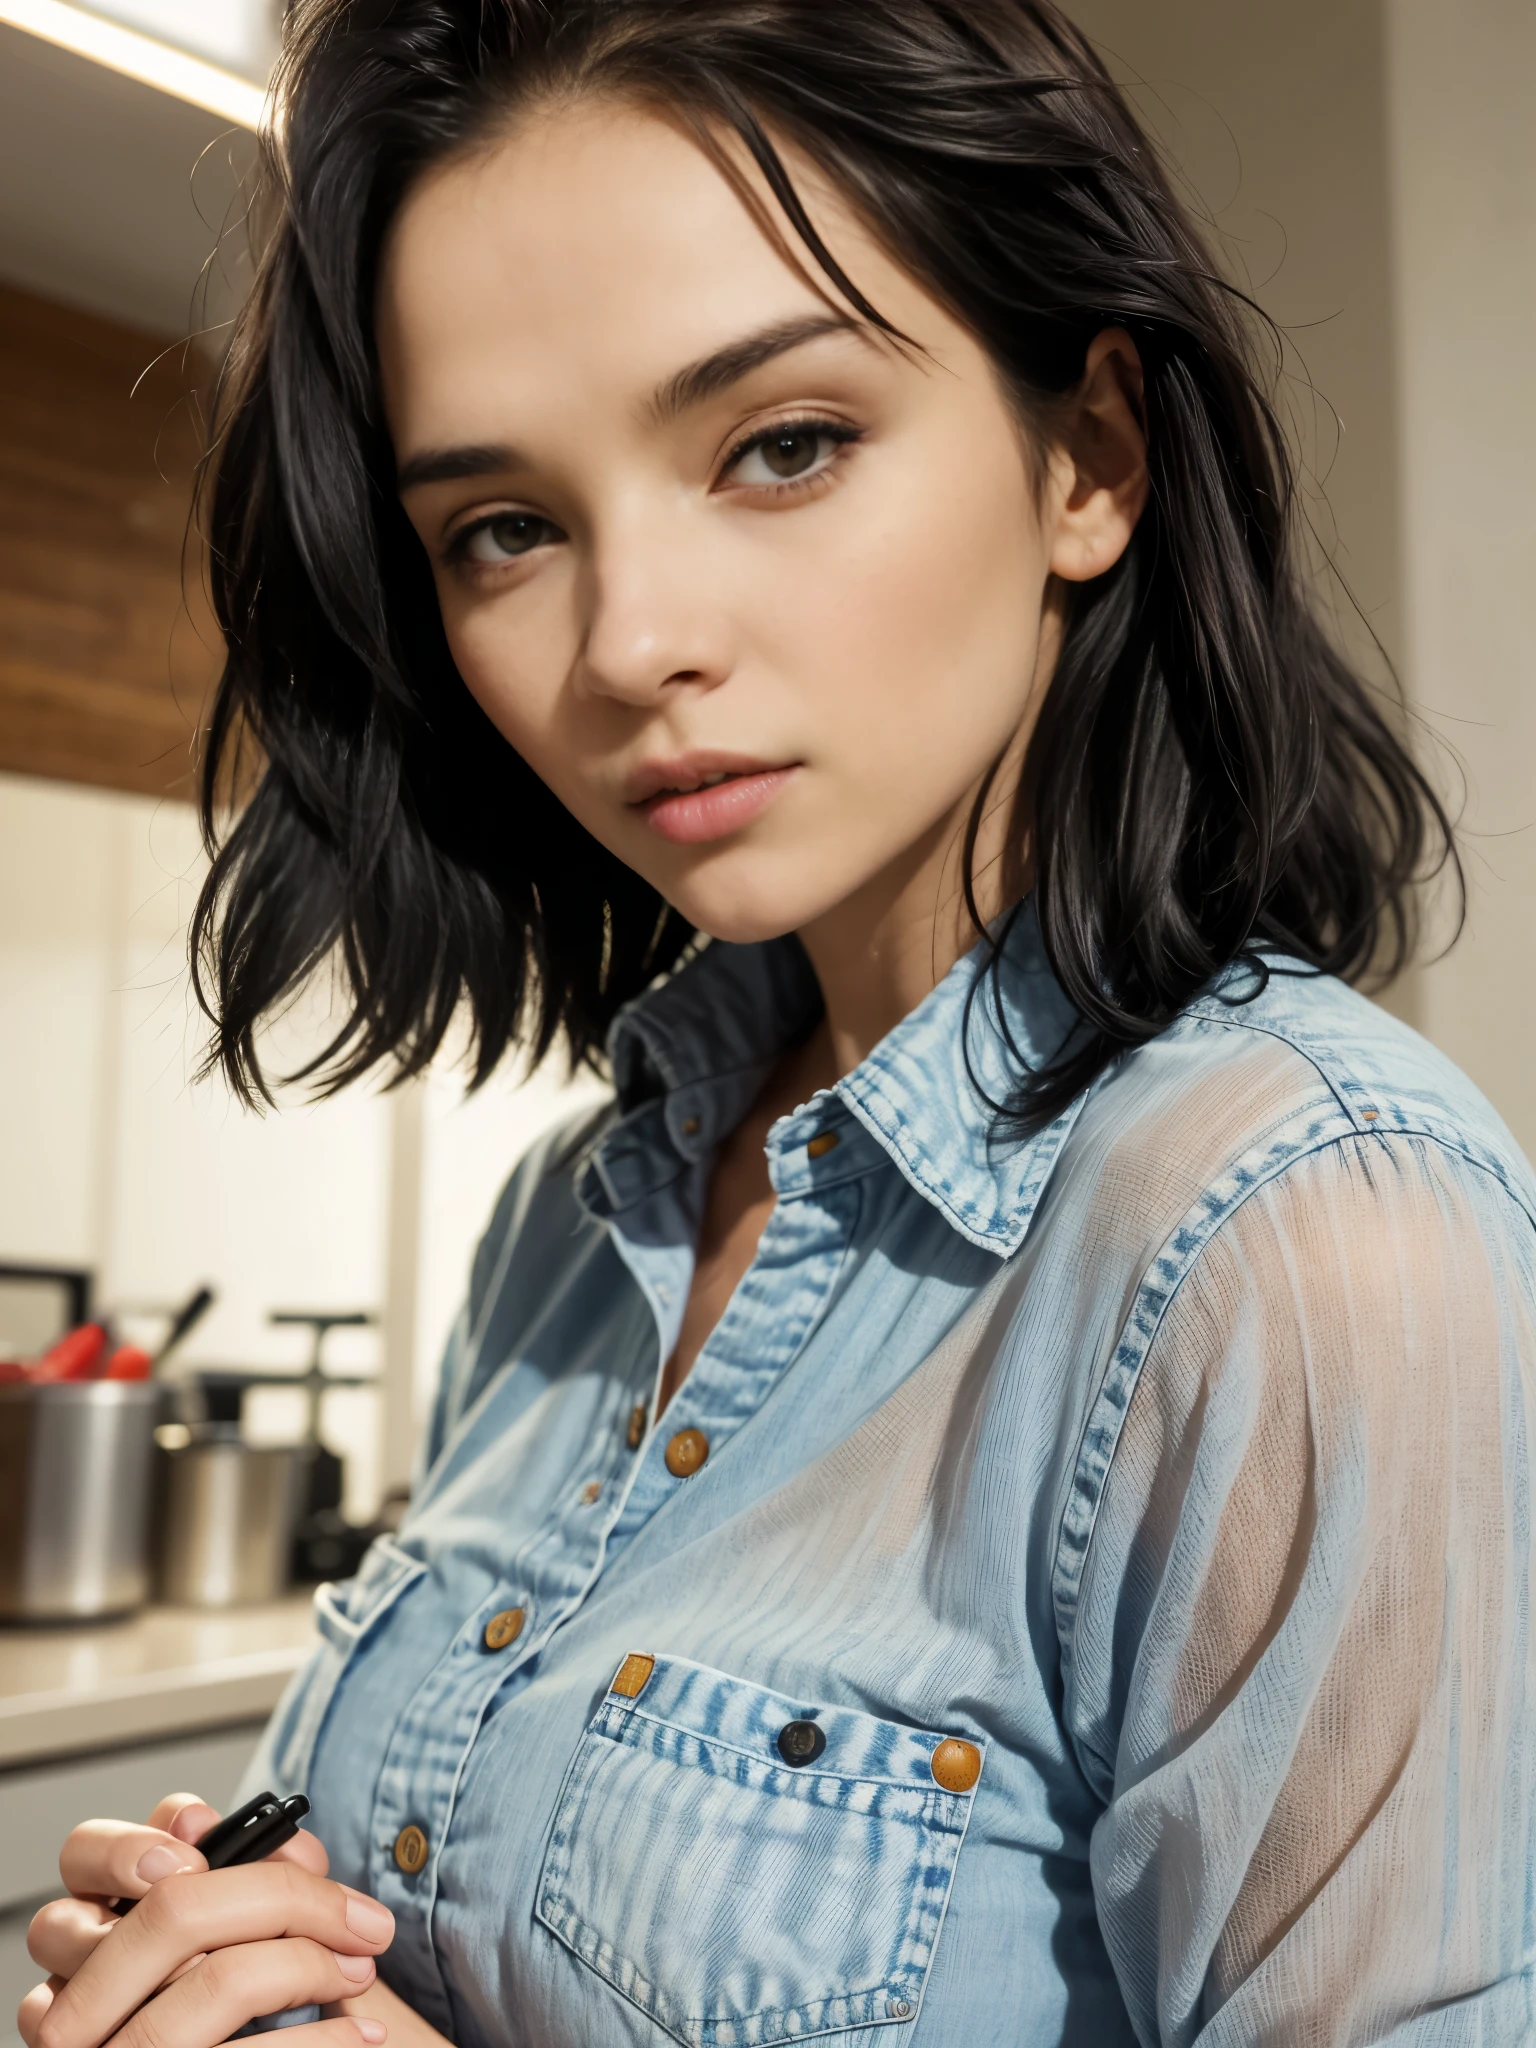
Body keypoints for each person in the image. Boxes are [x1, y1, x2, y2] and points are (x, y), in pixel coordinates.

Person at [21, 1, 1536, 2042]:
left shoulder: (1307, 1236)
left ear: (1090, 456)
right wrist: (233, 1970)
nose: (632, 639)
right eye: (505, 529)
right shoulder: (571, 1223)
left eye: (784, 444)